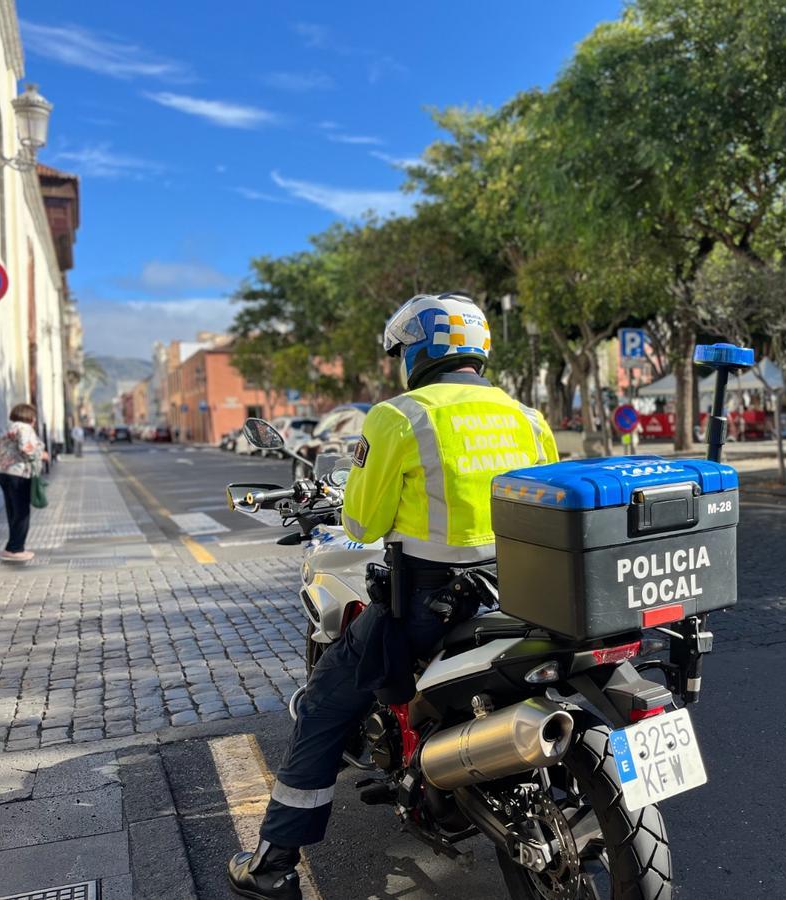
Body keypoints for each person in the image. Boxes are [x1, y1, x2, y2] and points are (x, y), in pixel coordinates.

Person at [228, 293, 559, 899]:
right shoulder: (528, 418)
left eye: (404, 350)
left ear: (419, 352)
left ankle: (273, 865)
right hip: (517, 599)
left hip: (428, 608)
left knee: (326, 700)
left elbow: (360, 524)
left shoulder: (400, 416)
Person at [0, 403, 45, 563]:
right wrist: (40, 454)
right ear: (30, 417)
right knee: (22, 512)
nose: (35, 421)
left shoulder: (8, 428)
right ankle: (16, 549)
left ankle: (11, 547)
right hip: (18, 472)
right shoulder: (25, 428)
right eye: (34, 417)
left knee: (12, 511)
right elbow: (25, 448)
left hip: (2, 472)